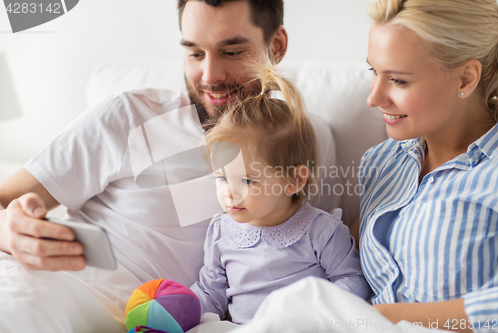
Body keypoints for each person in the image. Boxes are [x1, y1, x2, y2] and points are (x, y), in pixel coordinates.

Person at [0, 0, 339, 332]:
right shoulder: (126, 116)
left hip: (167, 322)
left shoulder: (305, 140)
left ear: (275, 46)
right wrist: (10, 231)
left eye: (231, 51)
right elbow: (5, 200)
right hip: (61, 292)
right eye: (194, 53)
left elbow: (319, 244)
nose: (209, 76)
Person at [229, 0, 498, 332]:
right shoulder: (384, 164)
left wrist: (381, 318)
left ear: (465, 79)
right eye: (374, 72)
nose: (373, 98)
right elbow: (335, 253)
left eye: (398, 80)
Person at [189, 62, 371, 324]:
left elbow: (353, 281)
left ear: (294, 180)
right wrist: (179, 312)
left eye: (248, 180)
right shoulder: (221, 231)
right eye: (222, 178)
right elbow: (210, 291)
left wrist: (315, 314)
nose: (230, 193)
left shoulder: (320, 230)